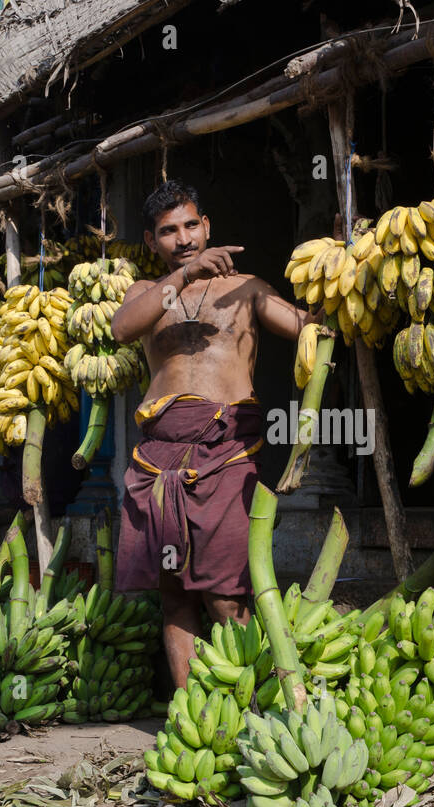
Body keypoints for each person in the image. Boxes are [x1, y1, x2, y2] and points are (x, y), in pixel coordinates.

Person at [111, 180, 323, 688]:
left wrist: (341, 280)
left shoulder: (247, 289)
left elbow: (306, 328)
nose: (182, 239)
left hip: (226, 453)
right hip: (158, 457)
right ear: (151, 240)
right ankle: (189, 711)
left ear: (207, 226)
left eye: (190, 226)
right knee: (174, 591)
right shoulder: (148, 293)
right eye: (168, 232)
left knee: (227, 592)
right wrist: (182, 278)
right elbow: (122, 329)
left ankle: (249, 703)